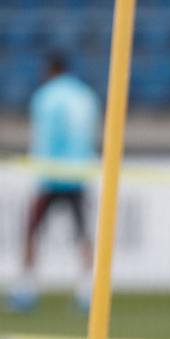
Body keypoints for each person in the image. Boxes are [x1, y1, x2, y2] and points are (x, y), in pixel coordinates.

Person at [6, 54, 100, 312]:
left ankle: (25, 290)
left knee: (32, 233)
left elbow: (46, 136)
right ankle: (87, 292)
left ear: (50, 70)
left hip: (50, 175)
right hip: (78, 174)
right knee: (82, 237)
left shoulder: (45, 96)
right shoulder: (86, 96)